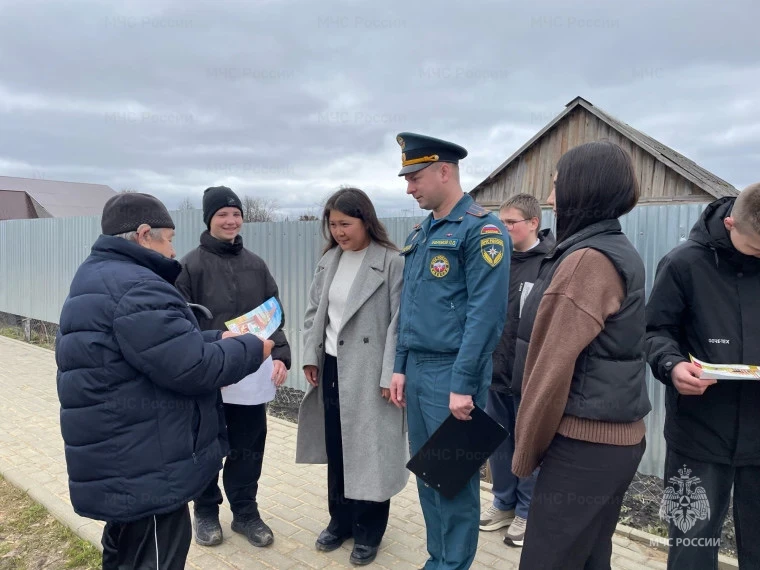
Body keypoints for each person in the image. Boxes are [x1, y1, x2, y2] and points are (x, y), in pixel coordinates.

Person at [56, 192, 272, 570]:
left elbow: (157, 347)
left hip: (121, 456)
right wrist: (252, 348)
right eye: (169, 239)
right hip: (146, 465)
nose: (172, 250)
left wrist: (214, 338)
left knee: (126, 554)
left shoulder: (100, 275)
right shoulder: (138, 286)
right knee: (155, 557)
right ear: (144, 234)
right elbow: (193, 368)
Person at [511, 141, 651, 569]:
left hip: (583, 445)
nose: (550, 196)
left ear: (581, 188)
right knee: (590, 557)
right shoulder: (614, 248)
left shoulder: (586, 260)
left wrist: (526, 451)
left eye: (556, 184)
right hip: (613, 442)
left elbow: (550, 369)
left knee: (546, 561)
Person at [388, 132, 510, 570]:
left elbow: (485, 316)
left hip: (452, 373)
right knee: (429, 476)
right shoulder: (422, 233)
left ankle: (453, 565)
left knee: (453, 481)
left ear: (444, 171)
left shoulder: (483, 230)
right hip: (418, 370)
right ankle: (437, 559)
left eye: (415, 177)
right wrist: (400, 366)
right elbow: (409, 308)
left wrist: (463, 384)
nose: (409, 188)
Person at [645, 182, 760, 569]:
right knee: (691, 546)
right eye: (756, 248)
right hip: (698, 434)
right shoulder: (683, 264)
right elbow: (654, 331)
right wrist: (672, 365)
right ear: (730, 224)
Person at [295, 187, 409, 566]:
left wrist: (390, 372)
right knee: (338, 447)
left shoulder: (392, 262)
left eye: (346, 224)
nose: (339, 232)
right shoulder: (330, 259)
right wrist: (311, 356)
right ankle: (339, 521)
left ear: (366, 220)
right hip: (331, 366)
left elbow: (399, 323)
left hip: (371, 373)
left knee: (371, 451)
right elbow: (314, 312)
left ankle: (369, 531)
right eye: (333, 225)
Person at [175, 185, 291, 549]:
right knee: (206, 446)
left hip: (251, 375)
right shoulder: (189, 266)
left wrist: (281, 354)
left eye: (236, 214)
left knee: (248, 446)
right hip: (209, 373)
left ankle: (245, 512)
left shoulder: (256, 265)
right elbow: (179, 323)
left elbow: (273, 314)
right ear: (208, 219)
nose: (230, 220)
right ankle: (206, 511)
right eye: (222, 214)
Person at [479, 193, 554, 547]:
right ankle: (503, 502)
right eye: (501, 221)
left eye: (511, 222)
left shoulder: (551, 263)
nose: (503, 228)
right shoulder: (496, 260)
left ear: (533, 223)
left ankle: (527, 511)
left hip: (529, 377)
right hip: (494, 372)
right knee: (498, 443)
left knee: (529, 446)